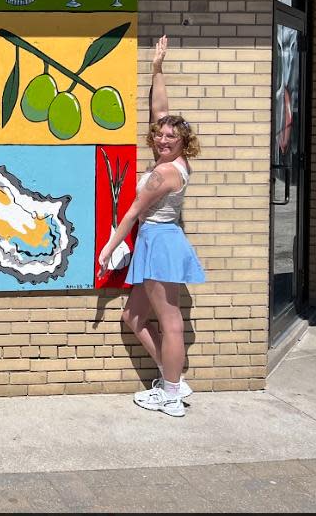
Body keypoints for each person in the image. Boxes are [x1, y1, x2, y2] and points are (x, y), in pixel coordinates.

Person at [98, 34, 205, 418]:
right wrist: (157, 69)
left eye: (170, 137)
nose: (162, 138)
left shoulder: (164, 174)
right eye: (160, 135)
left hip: (160, 242)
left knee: (170, 319)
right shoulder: (172, 162)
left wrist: (109, 248)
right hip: (155, 240)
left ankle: (173, 393)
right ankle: (169, 377)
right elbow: (160, 107)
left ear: (182, 143)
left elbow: (131, 213)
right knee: (134, 317)